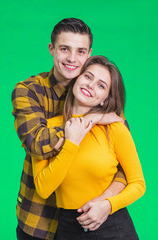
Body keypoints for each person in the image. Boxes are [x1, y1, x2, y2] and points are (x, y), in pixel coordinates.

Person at [12, 18, 128, 240]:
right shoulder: (29, 91)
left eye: (80, 51)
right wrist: (90, 120)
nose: (72, 59)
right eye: (64, 49)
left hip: (89, 221)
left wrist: (106, 202)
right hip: (39, 219)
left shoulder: (101, 93)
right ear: (52, 49)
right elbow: (37, 144)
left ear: (89, 53)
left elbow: (124, 164)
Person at [32, 55, 146, 239]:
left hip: (111, 225)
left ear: (104, 99)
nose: (91, 85)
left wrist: (108, 205)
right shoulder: (47, 130)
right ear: (76, 78)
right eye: (88, 76)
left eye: (101, 85)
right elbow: (44, 188)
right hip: (67, 228)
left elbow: (138, 183)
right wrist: (71, 143)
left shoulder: (114, 128)